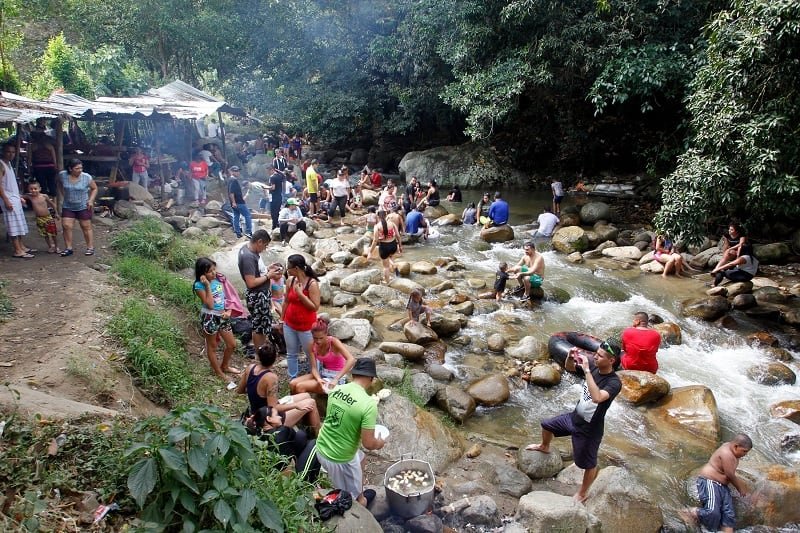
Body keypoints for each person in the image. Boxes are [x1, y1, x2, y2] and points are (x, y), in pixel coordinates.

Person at [525, 338, 622, 503]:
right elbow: (569, 368)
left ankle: (582, 493)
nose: (595, 357)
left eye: (599, 355)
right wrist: (570, 357)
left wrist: (587, 372)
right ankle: (545, 446)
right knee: (546, 425)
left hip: (589, 429)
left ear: (611, 360)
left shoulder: (614, 382)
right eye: (595, 354)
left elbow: (598, 397)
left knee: (588, 464)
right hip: (574, 417)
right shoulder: (594, 366)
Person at [314, 358, 386, 506]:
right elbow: (368, 443)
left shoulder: (337, 390)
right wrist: (380, 443)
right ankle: (357, 504)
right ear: (372, 379)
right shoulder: (368, 404)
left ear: (353, 375)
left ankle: (351, 484)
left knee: (361, 458)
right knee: (357, 500)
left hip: (321, 447)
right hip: (340, 458)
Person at [236, 341, 321, 433]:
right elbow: (273, 407)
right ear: (274, 359)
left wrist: (255, 392)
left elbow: (240, 390)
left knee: (306, 396)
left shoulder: (250, 368)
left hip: (257, 410)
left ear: (258, 357)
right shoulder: (271, 378)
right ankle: (318, 436)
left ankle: (306, 427)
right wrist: (296, 405)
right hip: (268, 419)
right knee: (311, 402)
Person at [682, 434, 752, 533]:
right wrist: (740, 487)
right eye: (744, 451)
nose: (745, 454)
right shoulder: (726, 453)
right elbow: (730, 474)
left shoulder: (733, 451)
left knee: (729, 517)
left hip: (722, 487)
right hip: (710, 482)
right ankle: (690, 512)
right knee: (712, 512)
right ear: (736, 446)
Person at [194, 258, 241, 380]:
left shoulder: (219, 280)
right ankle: (218, 372)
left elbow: (227, 298)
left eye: (214, 269)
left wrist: (229, 311)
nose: (213, 273)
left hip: (223, 316)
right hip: (210, 317)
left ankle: (225, 365)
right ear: (202, 274)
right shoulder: (199, 285)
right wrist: (207, 286)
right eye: (210, 271)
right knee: (212, 346)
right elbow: (209, 304)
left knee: (232, 344)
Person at [290, 318, 355, 395]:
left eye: (321, 338)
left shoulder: (334, 342)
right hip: (322, 373)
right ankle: (295, 404)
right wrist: (318, 379)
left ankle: (304, 404)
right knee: (292, 383)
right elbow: (314, 368)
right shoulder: (312, 345)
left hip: (336, 377)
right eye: (315, 338)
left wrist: (336, 379)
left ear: (326, 334)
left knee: (300, 386)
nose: (318, 341)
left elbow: (351, 359)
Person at [282, 254, 321, 380]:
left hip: (306, 327)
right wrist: (282, 319)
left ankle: (315, 377)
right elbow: (286, 301)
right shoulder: (290, 280)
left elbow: (315, 307)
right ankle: (292, 378)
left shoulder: (312, 283)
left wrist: (301, 294)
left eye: (289, 267)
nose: (287, 270)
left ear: (297, 268)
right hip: (289, 324)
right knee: (291, 353)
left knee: (311, 354)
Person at [238, 230, 277, 351]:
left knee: (261, 325)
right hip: (257, 296)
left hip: (260, 294)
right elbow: (251, 282)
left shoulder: (249, 250)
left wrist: (266, 269)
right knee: (259, 327)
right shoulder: (248, 257)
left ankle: (260, 352)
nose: (264, 249)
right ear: (259, 242)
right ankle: (259, 354)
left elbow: (256, 271)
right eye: (264, 245)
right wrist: (268, 276)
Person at [0, 143, 35, 259]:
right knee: (13, 225)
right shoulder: (1, 165)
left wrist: (19, 196)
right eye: (8, 152)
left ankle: (21, 246)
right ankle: (17, 250)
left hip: (14, 197)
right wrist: (6, 200)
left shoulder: (9, 164)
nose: (11, 154)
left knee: (19, 223)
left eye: (13, 152)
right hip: (8, 198)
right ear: (3, 152)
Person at [58, 158, 98, 257]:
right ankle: (68, 248)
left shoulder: (86, 177)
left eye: (81, 168)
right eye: (77, 168)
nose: (80, 170)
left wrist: (91, 200)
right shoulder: (63, 175)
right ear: (70, 169)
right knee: (66, 226)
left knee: (86, 226)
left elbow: (94, 188)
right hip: (68, 205)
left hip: (83, 205)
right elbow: (59, 183)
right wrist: (63, 194)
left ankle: (90, 247)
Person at [365, 210, 403, 284]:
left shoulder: (377, 226)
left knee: (386, 267)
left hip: (384, 247)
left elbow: (375, 241)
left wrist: (370, 252)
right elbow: (398, 236)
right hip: (393, 245)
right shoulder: (392, 224)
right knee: (390, 257)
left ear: (378, 217)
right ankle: (394, 265)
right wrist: (400, 246)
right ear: (386, 215)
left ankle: (387, 281)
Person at [23, 182, 60, 254]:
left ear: (39, 189)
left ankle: (56, 246)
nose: (33, 190)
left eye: (35, 189)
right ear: (28, 190)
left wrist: (56, 213)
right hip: (39, 218)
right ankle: (50, 246)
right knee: (45, 234)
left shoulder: (44, 196)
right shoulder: (29, 196)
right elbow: (20, 196)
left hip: (48, 217)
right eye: (31, 189)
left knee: (53, 233)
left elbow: (52, 204)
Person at [26, 130, 58, 196]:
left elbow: (29, 158)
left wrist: (29, 168)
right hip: (50, 167)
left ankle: (45, 202)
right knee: (52, 185)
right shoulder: (49, 146)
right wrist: (55, 167)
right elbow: (54, 158)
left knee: (42, 186)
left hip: (38, 168)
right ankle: (54, 203)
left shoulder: (32, 146)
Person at [227, 166, 252, 239]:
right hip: (238, 202)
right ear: (231, 172)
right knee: (247, 215)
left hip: (235, 202)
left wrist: (232, 202)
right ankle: (249, 232)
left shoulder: (230, 180)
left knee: (236, 216)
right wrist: (234, 202)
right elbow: (231, 192)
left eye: (238, 171)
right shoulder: (233, 180)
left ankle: (238, 232)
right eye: (236, 171)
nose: (238, 172)